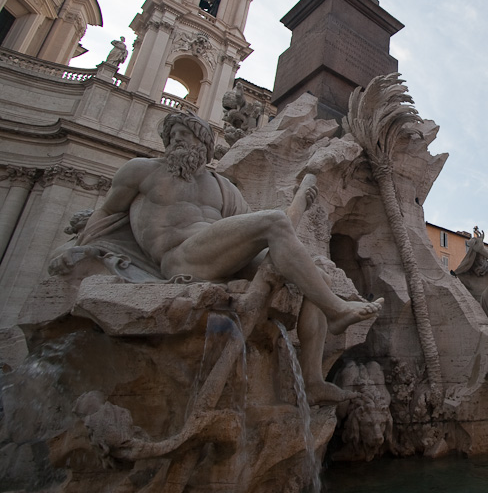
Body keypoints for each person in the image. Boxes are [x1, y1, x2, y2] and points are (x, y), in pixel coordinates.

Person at [64, 113, 383, 403]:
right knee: (274, 223)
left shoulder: (222, 188)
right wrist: (80, 250)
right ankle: (337, 309)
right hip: (179, 258)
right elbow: (106, 212)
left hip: (219, 257)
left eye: (185, 135)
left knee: (317, 276)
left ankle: (312, 380)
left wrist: (300, 200)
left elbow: (272, 233)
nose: (177, 139)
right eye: (173, 134)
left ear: (203, 144)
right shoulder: (142, 171)